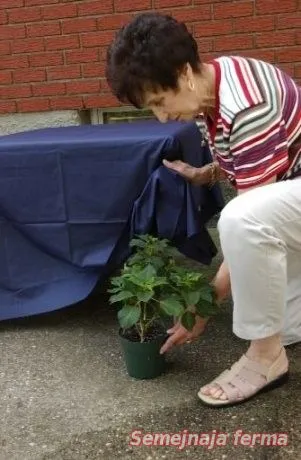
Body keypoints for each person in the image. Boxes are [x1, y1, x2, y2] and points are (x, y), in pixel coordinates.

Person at [106, 12, 301, 407]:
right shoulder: (213, 84)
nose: (162, 117)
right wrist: (205, 173)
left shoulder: (247, 106)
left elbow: (255, 213)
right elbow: (251, 160)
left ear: (184, 72)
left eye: (161, 101)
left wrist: (202, 307)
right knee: (283, 325)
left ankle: (266, 361)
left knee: (241, 219)